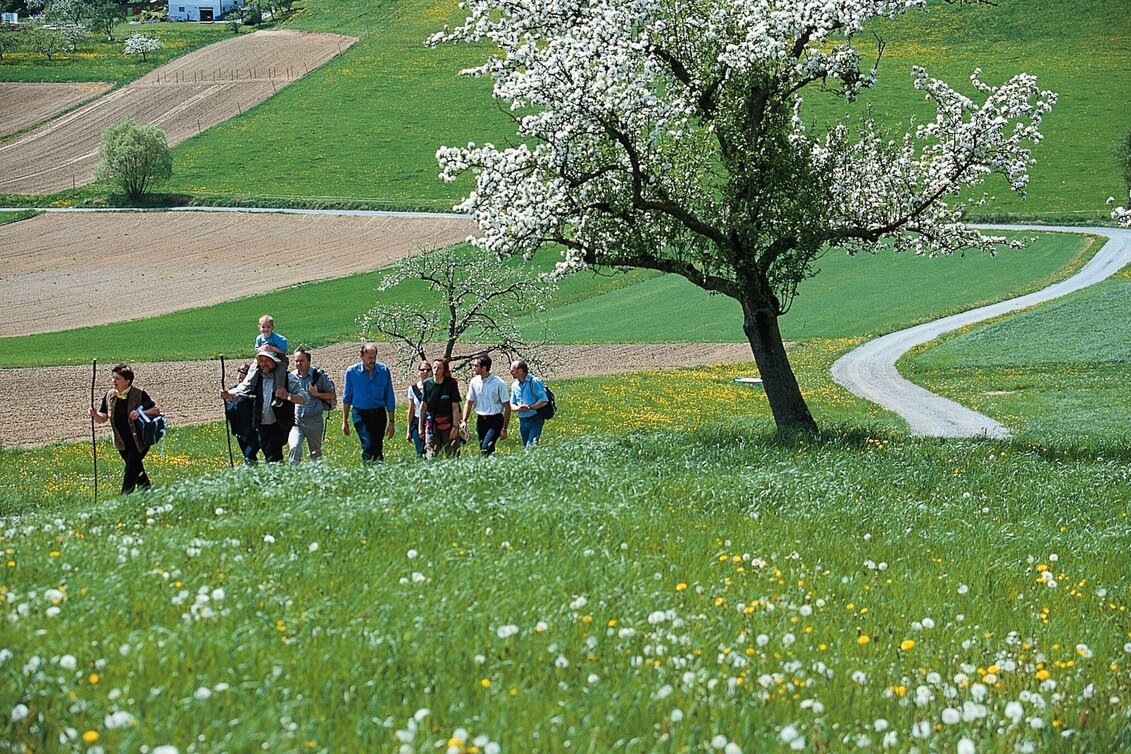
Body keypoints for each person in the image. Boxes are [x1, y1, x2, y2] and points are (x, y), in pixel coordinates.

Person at [221, 350, 305, 463]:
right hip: (262, 426)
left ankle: (275, 477)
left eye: (267, 360)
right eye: (261, 361)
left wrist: (287, 396)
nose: (264, 363)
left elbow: (304, 398)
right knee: (270, 457)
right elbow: (241, 390)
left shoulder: (287, 378)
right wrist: (229, 395)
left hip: (279, 425)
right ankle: (277, 478)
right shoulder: (255, 379)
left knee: (273, 456)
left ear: (275, 362)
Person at [90, 363, 162, 494]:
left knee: (130, 470)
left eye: (117, 378)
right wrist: (95, 414)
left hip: (139, 442)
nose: (114, 381)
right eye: (113, 378)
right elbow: (103, 417)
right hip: (122, 443)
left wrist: (140, 413)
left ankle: (124, 499)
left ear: (127, 381)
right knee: (136, 469)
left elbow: (156, 410)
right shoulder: (110, 395)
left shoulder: (139, 395)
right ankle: (148, 493)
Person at [341, 342, 396, 462]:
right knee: (368, 444)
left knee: (377, 447)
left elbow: (389, 396)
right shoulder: (351, 372)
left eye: (374, 357)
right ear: (362, 357)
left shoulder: (384, 371)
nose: (373, 360)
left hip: (379, 414)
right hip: (360, 414)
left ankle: (378, 473)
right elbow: (347, 398)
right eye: (370, 358)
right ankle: (368, 472)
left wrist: (392, 422)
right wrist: (344, 421)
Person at [288, 347, 336, 463]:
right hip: (296, 421)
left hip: (314, 421)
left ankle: (316, 478)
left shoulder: (319, 376)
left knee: (316, 454)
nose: (298, 363)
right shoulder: (291, 377)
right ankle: (293, 478)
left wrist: (317, 394)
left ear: (308, 361)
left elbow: (332, 395)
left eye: (301, 360)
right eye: (296, 361)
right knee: (294, 447)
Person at [461, 354, 510, 456]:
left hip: (495, 420)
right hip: (481, 421)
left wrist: (504, 429)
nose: (473, 368)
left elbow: (507, 406)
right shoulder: (474, 382)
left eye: (475, 366)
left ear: (484, 368)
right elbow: (469, 402)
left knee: (485, 447)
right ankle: (491, 468)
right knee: (485, 450)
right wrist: (464, 420)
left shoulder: (499, 383)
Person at [419, 357, 462, 459]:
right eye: (434, 368)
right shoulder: (427, 384)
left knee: (452, 454)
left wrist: (455, 427)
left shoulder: (451, 384)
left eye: (439, 368)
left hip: (449, 423)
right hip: (432, 424)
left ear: (444, 370)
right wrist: (420, 426)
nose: (435, 371)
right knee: (431, 453)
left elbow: (455, 407)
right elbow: (423, 406)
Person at [224, 361, 260, 464]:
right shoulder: (232, 390)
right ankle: (255, 476)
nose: (241, 381)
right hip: (239, 432)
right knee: (248, 458)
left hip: (254, 433)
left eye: (243, 379)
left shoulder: (253, 393)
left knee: (249, 456)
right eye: (239, 378)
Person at [509, 359, 549, 448]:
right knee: (526, 448)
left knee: (530, 447)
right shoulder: (514, 385)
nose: (511, 372)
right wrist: (518, 408)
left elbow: (544, 400)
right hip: (522, 421)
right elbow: (511, 405)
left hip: (535, 419)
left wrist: (530, 407)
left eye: (512, 370)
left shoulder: (534, 381)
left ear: (520, 370)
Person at [405, 359, 431, 457]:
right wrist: (408, 430)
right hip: (417, 422)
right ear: (418, 371)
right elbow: (411, 409)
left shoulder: (435, 386)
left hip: (432, 421)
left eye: (428, 370)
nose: (425, 372)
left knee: (432, 452)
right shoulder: (412, 389)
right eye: (423, 370)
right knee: (420, 452)